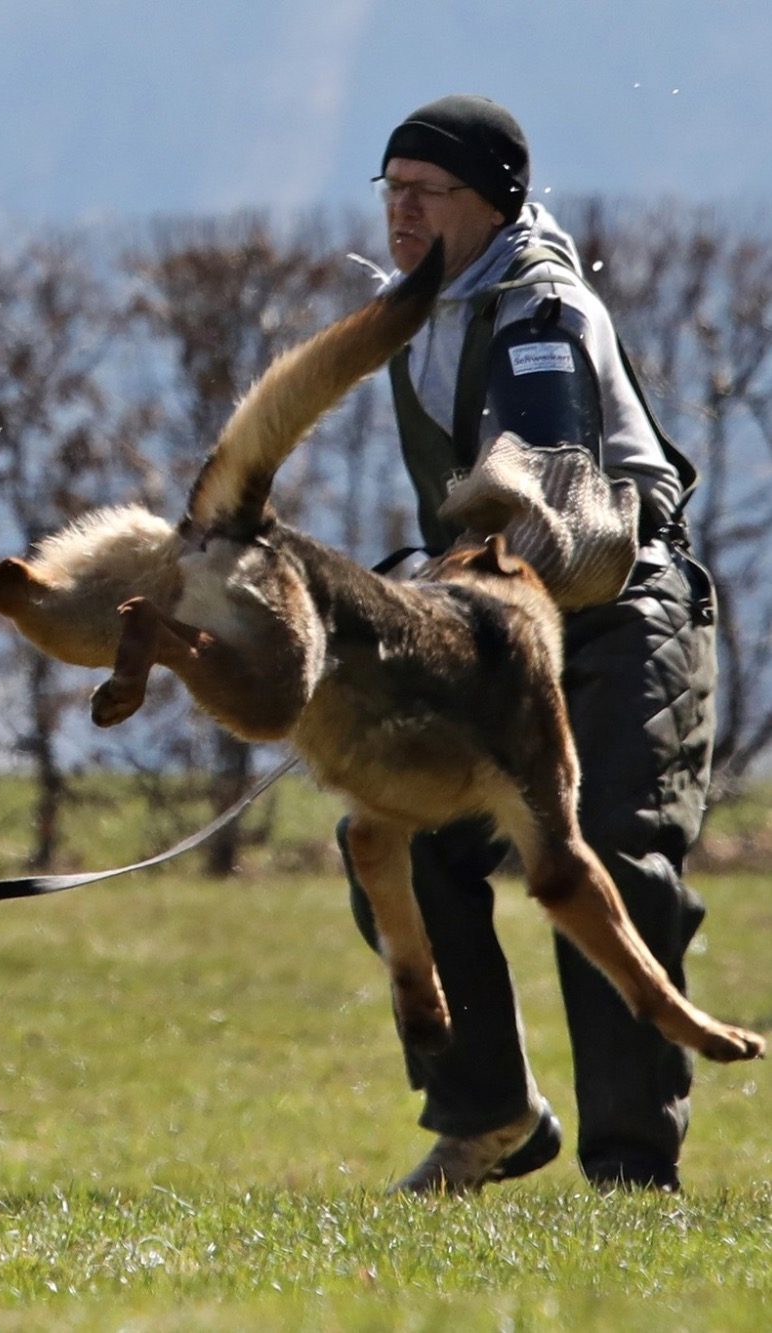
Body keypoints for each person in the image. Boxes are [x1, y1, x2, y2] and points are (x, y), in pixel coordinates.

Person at [339, 94, 718, 1193]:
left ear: (492, 202)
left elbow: (545, 476)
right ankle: (490, 1115)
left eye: (426, 193)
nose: (400, 212)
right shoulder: (418, 303)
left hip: (617, 622)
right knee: (400, 843)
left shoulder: (538, 312)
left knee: (607, 858)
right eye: (391, 189)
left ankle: (631, 1169)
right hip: (493, 624)